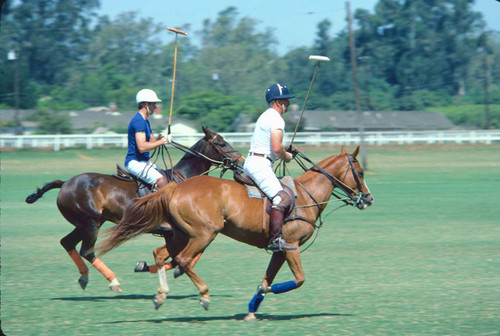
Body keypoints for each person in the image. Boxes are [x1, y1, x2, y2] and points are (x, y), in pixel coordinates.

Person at [244, 83, 297, 252]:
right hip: (260, 165)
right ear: (278, 102)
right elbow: (276, 148)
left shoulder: (265, 116)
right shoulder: (276, 119)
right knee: (282, 198)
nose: (287, 104)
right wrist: (286, 156)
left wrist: (283, 150)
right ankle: (276, 239)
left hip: (253, 162)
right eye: (286, 101)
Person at [125, 89, 170, 190]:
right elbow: (142, 147)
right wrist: (162, 142)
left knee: (167, 177)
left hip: (144, 162)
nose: (155, 107)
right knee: (162, 181)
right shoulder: (139, 121)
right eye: (153, 104)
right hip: (135, 162)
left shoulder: (145, 121)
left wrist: (160, 137)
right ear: (146, 104)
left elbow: (151, 140)